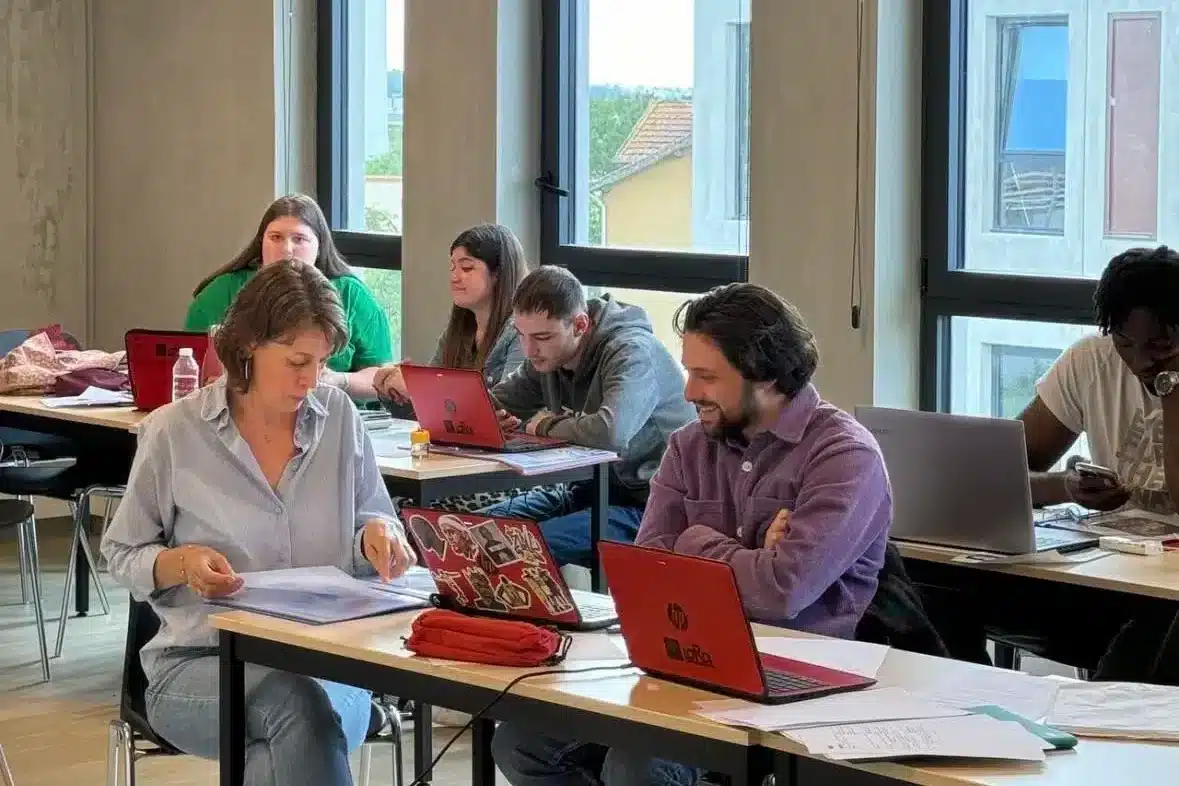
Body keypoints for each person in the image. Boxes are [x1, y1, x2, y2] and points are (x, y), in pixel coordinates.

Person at [493, 282, 893, 786]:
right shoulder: (688, 445)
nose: (688, 393)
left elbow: (781, 591)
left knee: (635, 768)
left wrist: (695, 541)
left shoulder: (843, 456)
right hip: (683, 655)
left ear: (765, 375)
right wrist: (747, 557)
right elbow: (642, 576)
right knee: (518, 742)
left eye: (706, 376)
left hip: (790, 671)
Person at [102, 260, 415, 786]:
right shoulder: (174, 432)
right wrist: (181, 563)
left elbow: (373, 519)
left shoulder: (339, 418)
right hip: (199, 666)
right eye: (296, 361)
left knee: (296, 725)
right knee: (299, 711)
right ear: (247, 346)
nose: (311, 379)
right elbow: (123, 553)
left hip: (332, 664)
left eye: (321, 362)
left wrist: (378, 538)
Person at [948, 245, 1179, 677]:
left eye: (1160, 345)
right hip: (1100, 575)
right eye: (1126, 343)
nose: (1141, 361)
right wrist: (1065, 487)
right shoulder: (1092, 361)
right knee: (936, 593)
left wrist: (1171, 387)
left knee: (1141, 647)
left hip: (1165, 597)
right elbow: (1000, 473)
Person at [483, 265, 695, 567]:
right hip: (588, 490)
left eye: (542, 337)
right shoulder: (547, 355)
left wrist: (543, 425)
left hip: (650, 506)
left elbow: (611, 433)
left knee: (523, 550)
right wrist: (477, 415)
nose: (529, 350)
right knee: (479, 531)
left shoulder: (631, 352)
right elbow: (493, 404)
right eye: (522, 336)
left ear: (580, 325)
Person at [185, 194, 393, 398]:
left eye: (299, 239)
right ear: (261, 243)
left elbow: (384, 378)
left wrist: (338, 381)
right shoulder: (220, 291)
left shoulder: (352, 295)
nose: (287, 249)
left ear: (319, 247)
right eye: (276, 238)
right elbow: (187, 366)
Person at [374, 223, 528, 410]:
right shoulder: (456, 332)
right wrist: (391, 388)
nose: (454, 277)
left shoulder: (521, 332)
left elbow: (507, 411)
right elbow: (428, 413)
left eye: (467, 268)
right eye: (452, 267)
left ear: (499, 273)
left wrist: (418, 387)